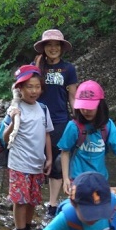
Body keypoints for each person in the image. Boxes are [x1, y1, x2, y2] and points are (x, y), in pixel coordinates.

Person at [1, 65, 53, 230]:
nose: (34, 91)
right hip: (19, 163)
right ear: (20, 88)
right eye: (29, 87)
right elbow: (5, 137)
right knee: (20, 200)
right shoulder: (15, 109)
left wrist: (50, 158)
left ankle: (28, 229)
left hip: (37, 163)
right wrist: (13, 121)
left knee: (32, 200)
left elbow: (46, 134)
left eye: (37, 86)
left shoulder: (43, 109)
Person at [33, 29, 78, 218]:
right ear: (44, 48)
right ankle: (31, 200)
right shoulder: (36, 66)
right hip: (36, 119)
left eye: (56, 45)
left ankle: (52, 204)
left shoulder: (68, 69)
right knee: (36, 160)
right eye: (49, 45)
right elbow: (23, 87)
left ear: (61, 48)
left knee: (58, 163)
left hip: (60, 120)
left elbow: (73, 95)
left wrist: (78, 118)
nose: (53, 48)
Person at [59, 80, 116, 195]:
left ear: (100, 106)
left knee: (99, 209)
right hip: (77, 178)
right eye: (82, 108)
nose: (86, 111)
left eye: (90, 107)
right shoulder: (73, 126)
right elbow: (65, 152)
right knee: (79, 209)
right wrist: (66, 178)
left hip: (100, 179)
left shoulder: (108, 125)